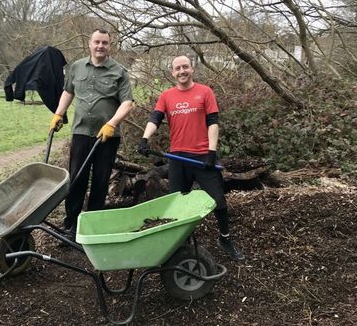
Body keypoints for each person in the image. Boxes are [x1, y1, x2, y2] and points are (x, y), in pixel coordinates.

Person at [137, 55, 245, 261]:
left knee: (219, 201)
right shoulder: (166, 96)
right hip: (177, 158)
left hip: (203, 156)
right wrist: (144, 139)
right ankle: (182, 243)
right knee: (178, 203)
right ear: (172, 73)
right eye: (177, 68)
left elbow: (213, 122)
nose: (182, 71)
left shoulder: (205, 92)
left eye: (185, 67)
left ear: (192, 69)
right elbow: (155, 119)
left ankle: (225, 239)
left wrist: (212, 152)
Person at [50, 29, 134, 239]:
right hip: (80, 132)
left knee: (100, 180)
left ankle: (94, 227)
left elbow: (127, 103)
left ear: (109, 46)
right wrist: (58, 114)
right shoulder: (77, 67)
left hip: (107, 137)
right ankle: (71, 225)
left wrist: (112, 123)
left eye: (104, 43)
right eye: (97, 42)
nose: (100, 46)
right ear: (89, 43)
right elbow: (68, 91)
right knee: (77, 179)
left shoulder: (119, 71)